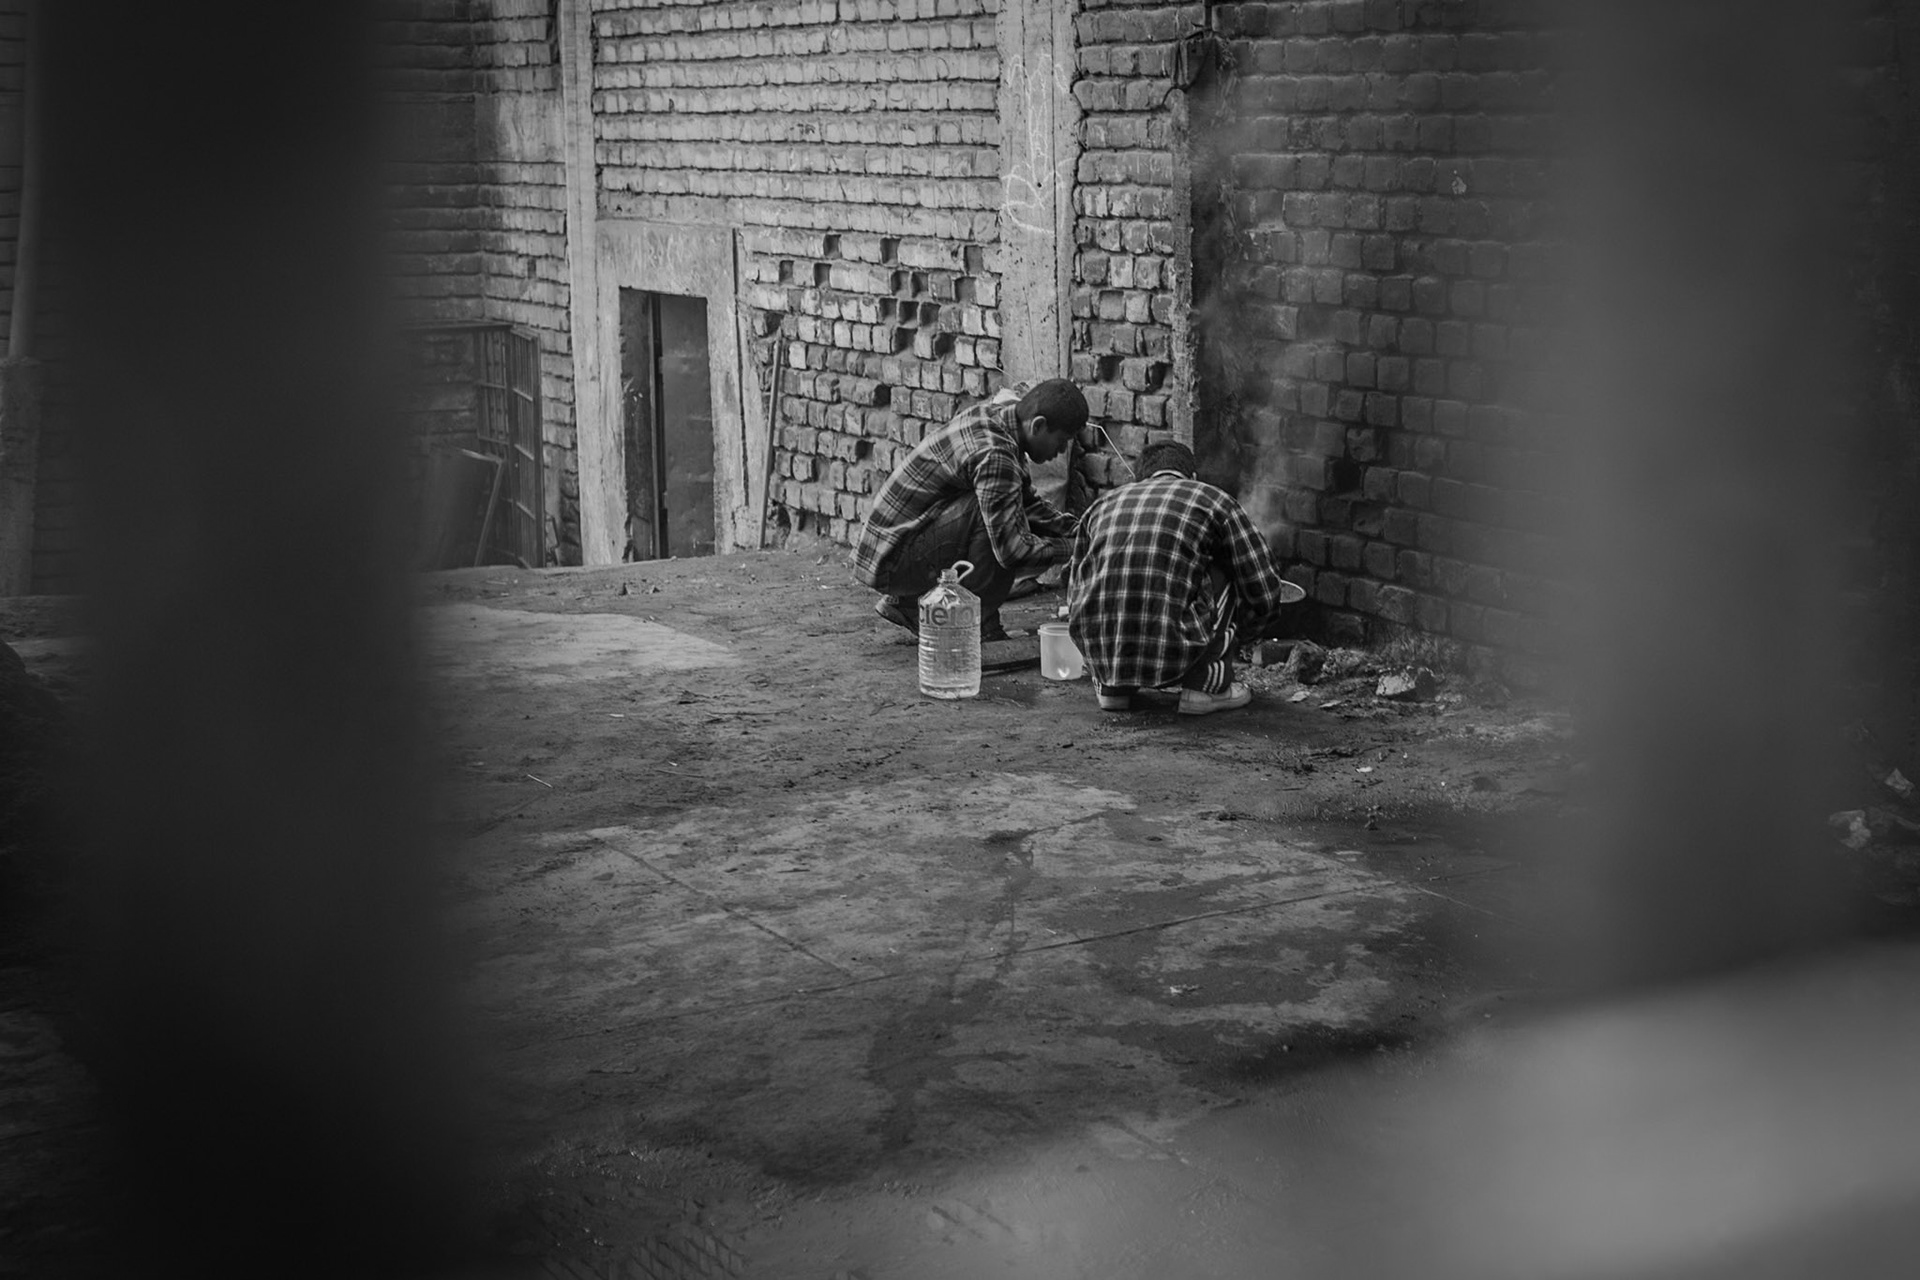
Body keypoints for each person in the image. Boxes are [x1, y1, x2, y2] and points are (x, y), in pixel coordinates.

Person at [1067, 440, 1293, 715]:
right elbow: (1263, 587)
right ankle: (1205, 690)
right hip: (1177, 650)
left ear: (1139, 478)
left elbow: (1075, 588)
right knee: (1234, 569)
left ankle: (1112, 690)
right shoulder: (1212, 498)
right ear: (1193, 477)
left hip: (1102, 654)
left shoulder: (1101, 505)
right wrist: (1243, 635)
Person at [851, 378, 1085, 642]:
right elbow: (1013, 553)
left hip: (888, 552)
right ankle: (979, 626)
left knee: (1003, 505)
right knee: (996, 520)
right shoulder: (997, 454)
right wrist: (1074, 548)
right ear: (1038, 425)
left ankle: (910, 605)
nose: (1062, 450)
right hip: (893, 562)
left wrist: (1082, 530)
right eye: (1062, 440)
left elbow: (1028, 504)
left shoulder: (995, 419)